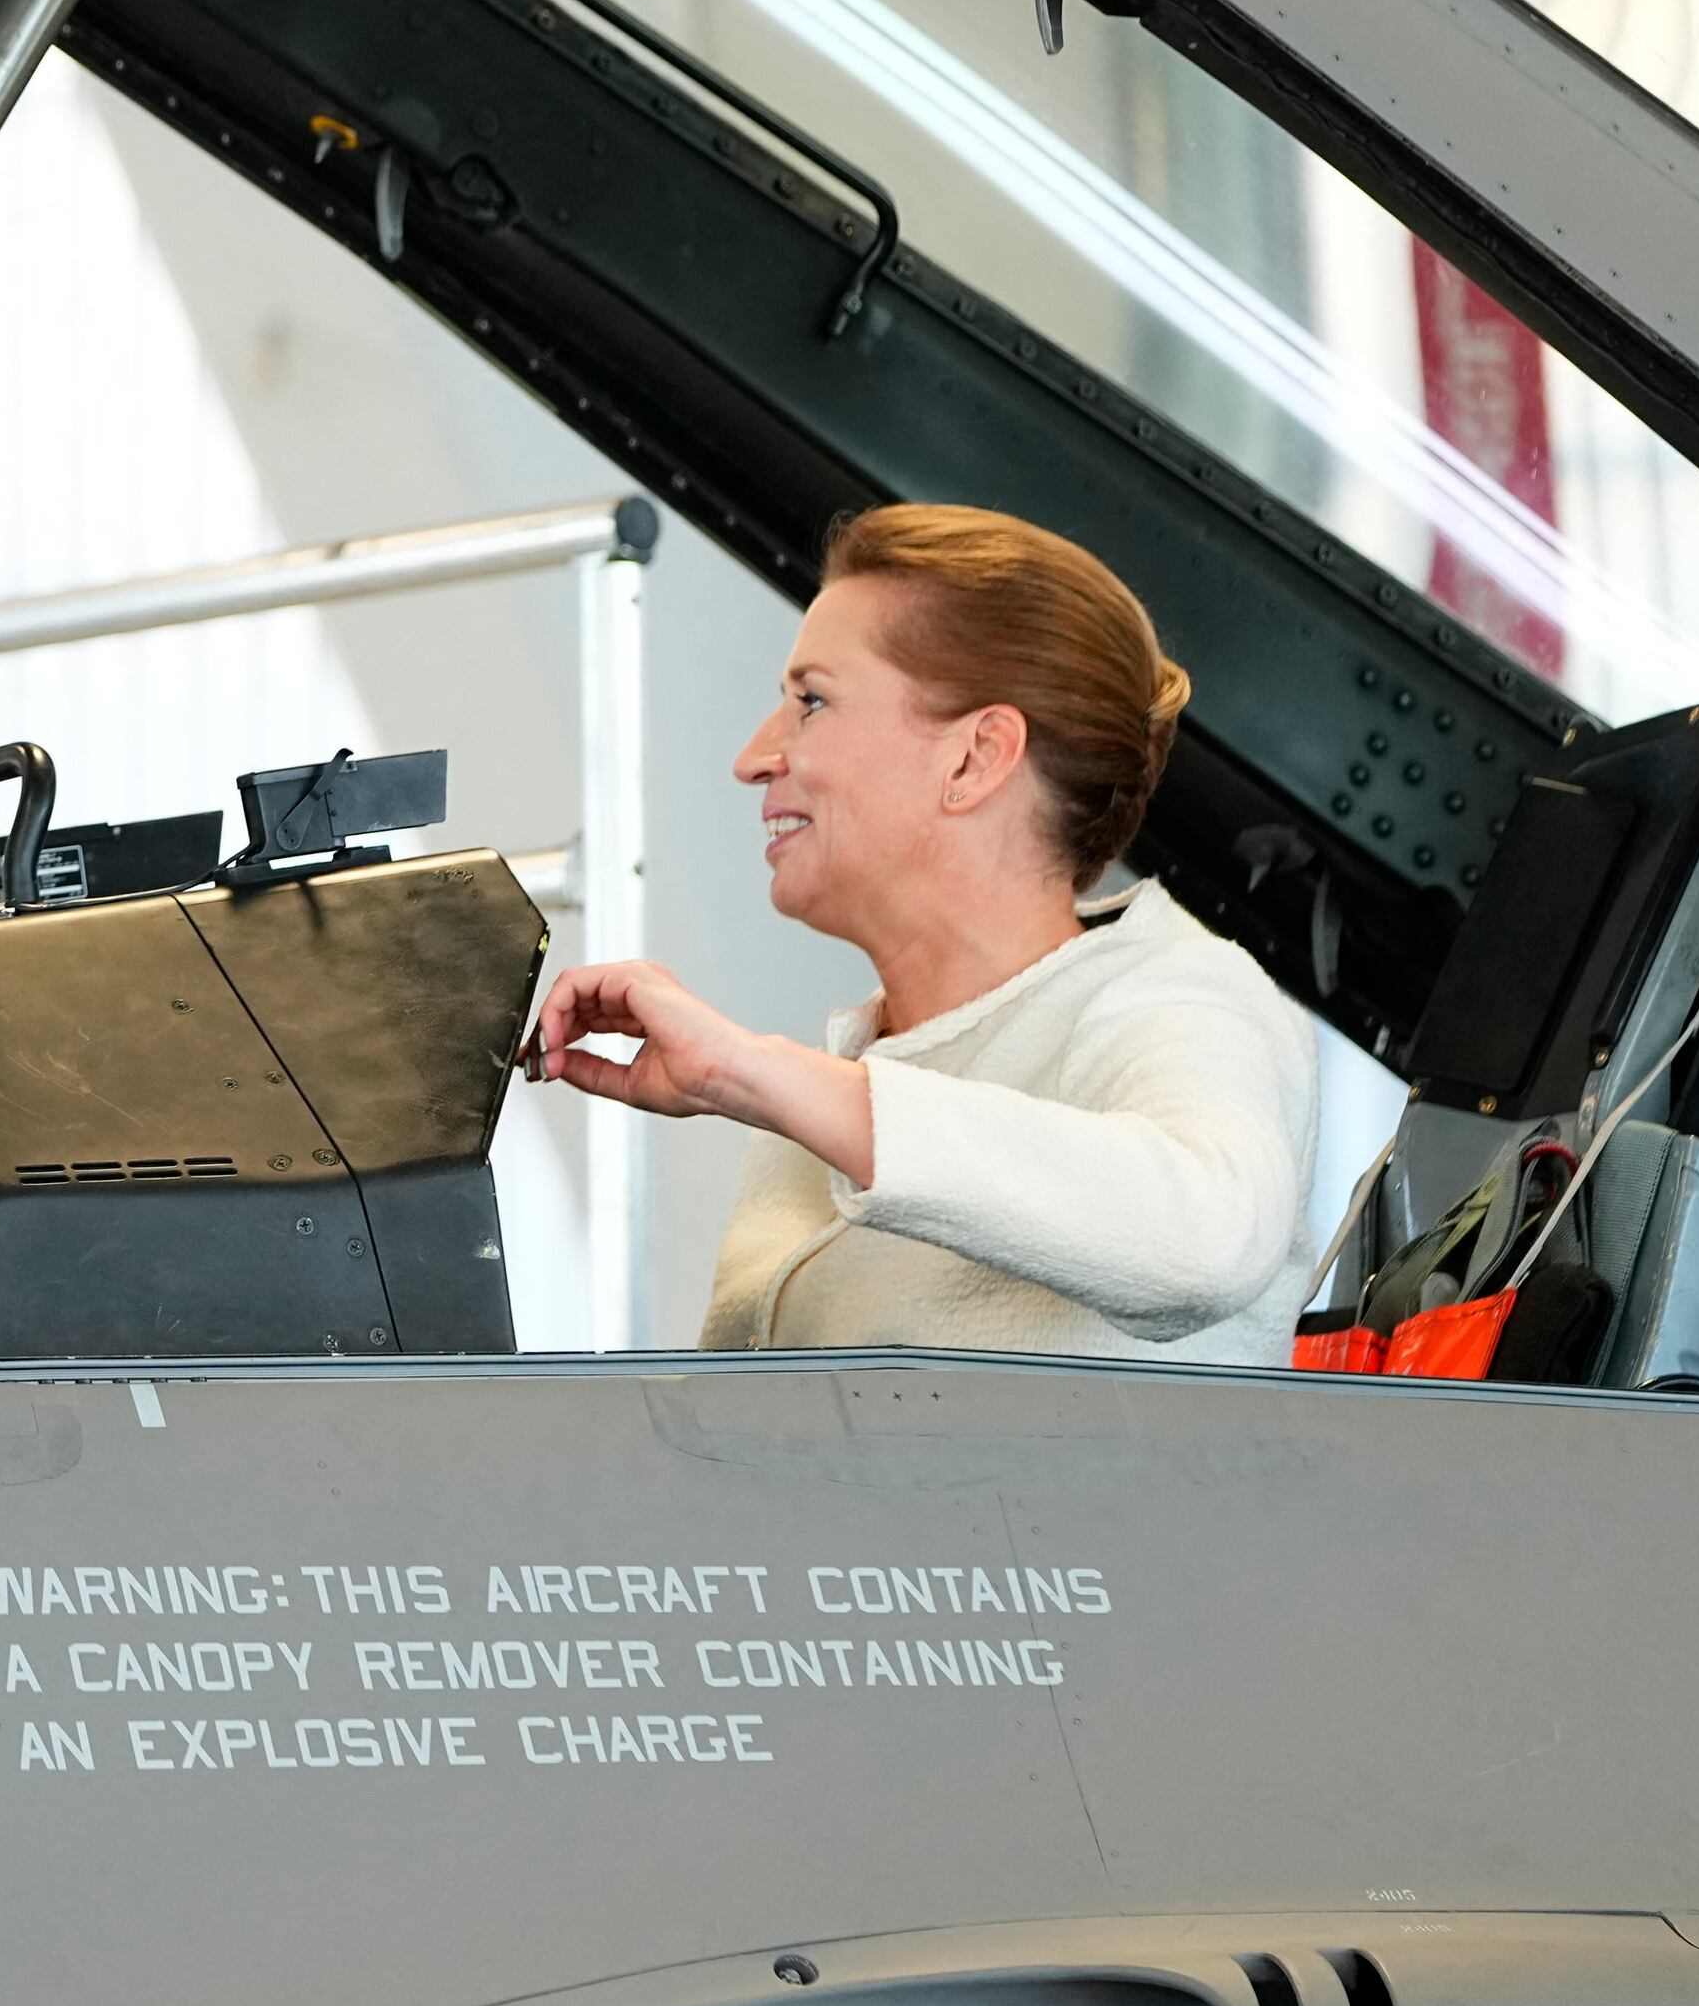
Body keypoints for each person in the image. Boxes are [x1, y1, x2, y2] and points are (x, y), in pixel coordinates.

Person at [530, 503, 1317, 1363]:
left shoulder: (1182, 994)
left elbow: (1206, 1235)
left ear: (975, 757)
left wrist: (746, 1070)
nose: (753, 756)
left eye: (812, 701)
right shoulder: (832, 1089)